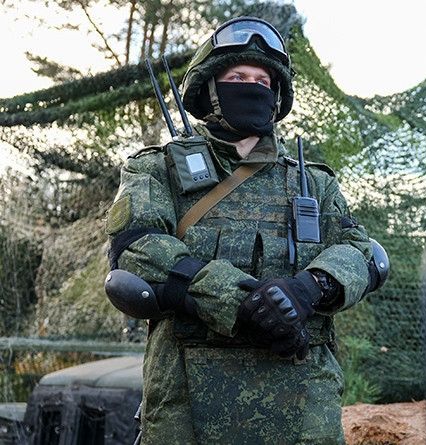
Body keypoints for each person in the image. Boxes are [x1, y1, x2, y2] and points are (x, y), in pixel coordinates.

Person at [104, 16, 383, 444]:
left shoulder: (313, 182)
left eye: (262, 81)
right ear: (210, 90)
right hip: (186, 406)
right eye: (237, 77)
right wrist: (244, 303)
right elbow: (135, 249)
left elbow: (362, 252)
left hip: (304, 406)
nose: (252, 87)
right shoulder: (157, 169)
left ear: (276, 95)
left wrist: (308, 289)